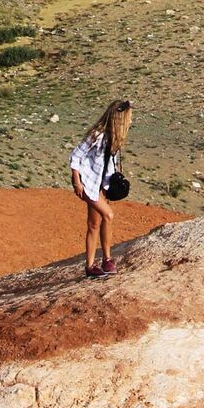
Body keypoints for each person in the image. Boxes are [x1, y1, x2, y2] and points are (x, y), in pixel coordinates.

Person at [69, 99, 132, 277]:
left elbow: (112, 162)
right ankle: (107, 259)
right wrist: (77, 182)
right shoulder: (98, 134)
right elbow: (75, 156)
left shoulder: (116, 137)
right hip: (87, 184)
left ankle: (92, 266)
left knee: (94, 223)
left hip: (100, 184)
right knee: (108, 215)